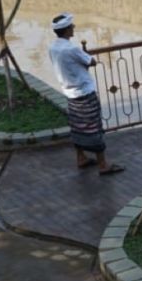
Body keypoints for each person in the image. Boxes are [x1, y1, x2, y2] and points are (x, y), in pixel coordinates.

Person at [48, 13, 124, 175]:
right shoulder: (72, 48)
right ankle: (103, 164)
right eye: (71, 26)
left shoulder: (53, 47)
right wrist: (86, 56)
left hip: (69, 93)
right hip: (84, 92)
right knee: (93, 127)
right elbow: (92, 61)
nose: (74, 28)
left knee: (77, 127)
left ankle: (81, 157)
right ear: (66, 29)